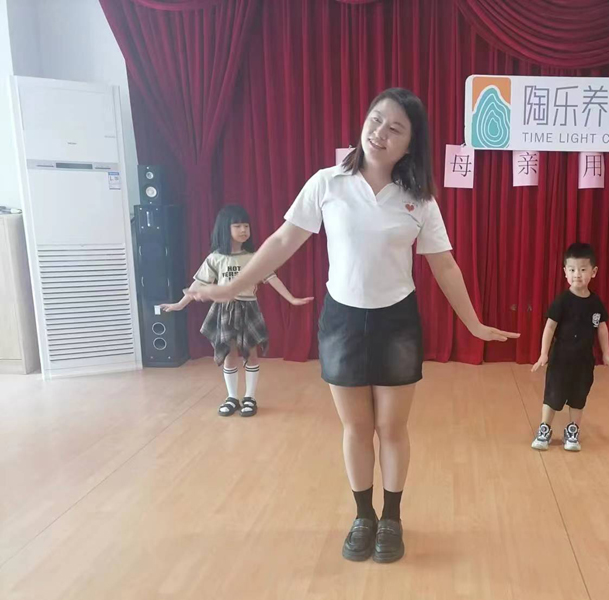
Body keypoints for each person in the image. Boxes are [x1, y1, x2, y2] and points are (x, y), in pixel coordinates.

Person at [188, 88, 519, 562]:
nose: (380, 133)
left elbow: (445, 265)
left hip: (397, 321)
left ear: (410, 145)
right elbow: (281, 241)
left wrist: (474, 324)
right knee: (356, 426)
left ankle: (392, 518)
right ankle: (364, 516)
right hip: (342, 320)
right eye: (376, 120)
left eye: (395, 128)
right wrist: (229, 287)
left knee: (392, 427)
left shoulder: (419, 199)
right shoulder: (328, 183)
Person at [162, 204, 312, 417]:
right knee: (229, 355)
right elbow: (198, 285)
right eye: (238, 226)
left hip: (248, 308)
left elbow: (272, 279)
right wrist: (179, 304)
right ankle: (232, 397)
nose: (243, 230)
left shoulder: (254, 256)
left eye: (246, 226)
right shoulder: (215, 258)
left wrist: (292, 299)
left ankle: (250, 397)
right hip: (224, 310)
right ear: (225, 229)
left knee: (251, 354)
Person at [530, 242, 609, 452]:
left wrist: (606, 354)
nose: (577, 274)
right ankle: (544, 429)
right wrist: (543, 354)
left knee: (579, 397)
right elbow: (550, 327)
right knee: (553, 394)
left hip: (584, 361)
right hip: (560, 359)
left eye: (583, 269)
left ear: (593, 272)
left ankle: (572, 431)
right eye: (572, 269)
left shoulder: (595, 303)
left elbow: (602, 328)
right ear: (565, 272)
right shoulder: (562, 301)